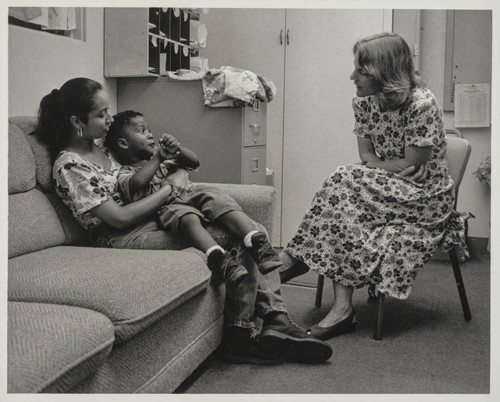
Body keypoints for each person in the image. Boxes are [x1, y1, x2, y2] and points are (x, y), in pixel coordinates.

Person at [36, 77, 333, 365]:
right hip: (118, 238)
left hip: (151, 216)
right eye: (101, 114)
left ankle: (275, 319)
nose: (110, 119)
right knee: (234, 237)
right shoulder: (70, 165)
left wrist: (178, 173)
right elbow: (119, 218)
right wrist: (168, 189)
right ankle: (240, 335)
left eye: (109, 110)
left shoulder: (100, 144)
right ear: (77, 122)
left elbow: (155, 163)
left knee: (254, 230)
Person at [279, 32, 466, 340]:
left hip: (424, 196)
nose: (352, 76)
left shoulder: (421, 104)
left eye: (362, 71)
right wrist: (390, 168)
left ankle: (297, 259)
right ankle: (341, 309)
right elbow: (368, 156)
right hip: (389, 187)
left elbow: (414, 165)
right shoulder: (365, 102)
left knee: (344, 179)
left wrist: (383, 168)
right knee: (346, 198)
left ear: (386, 72)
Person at [103, 110, 282, 287]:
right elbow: (137, 183)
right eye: (142, 131)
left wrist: (177, 149)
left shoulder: (165, 162)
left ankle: (254, 238)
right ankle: (217, 255)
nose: (150, 135)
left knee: (214, 196)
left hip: (190, 195)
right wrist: (158, 158)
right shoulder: (124, 172)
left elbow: (193, 161)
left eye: (149, 130)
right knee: (188, 218)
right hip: (168, 208)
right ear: (123, 143)